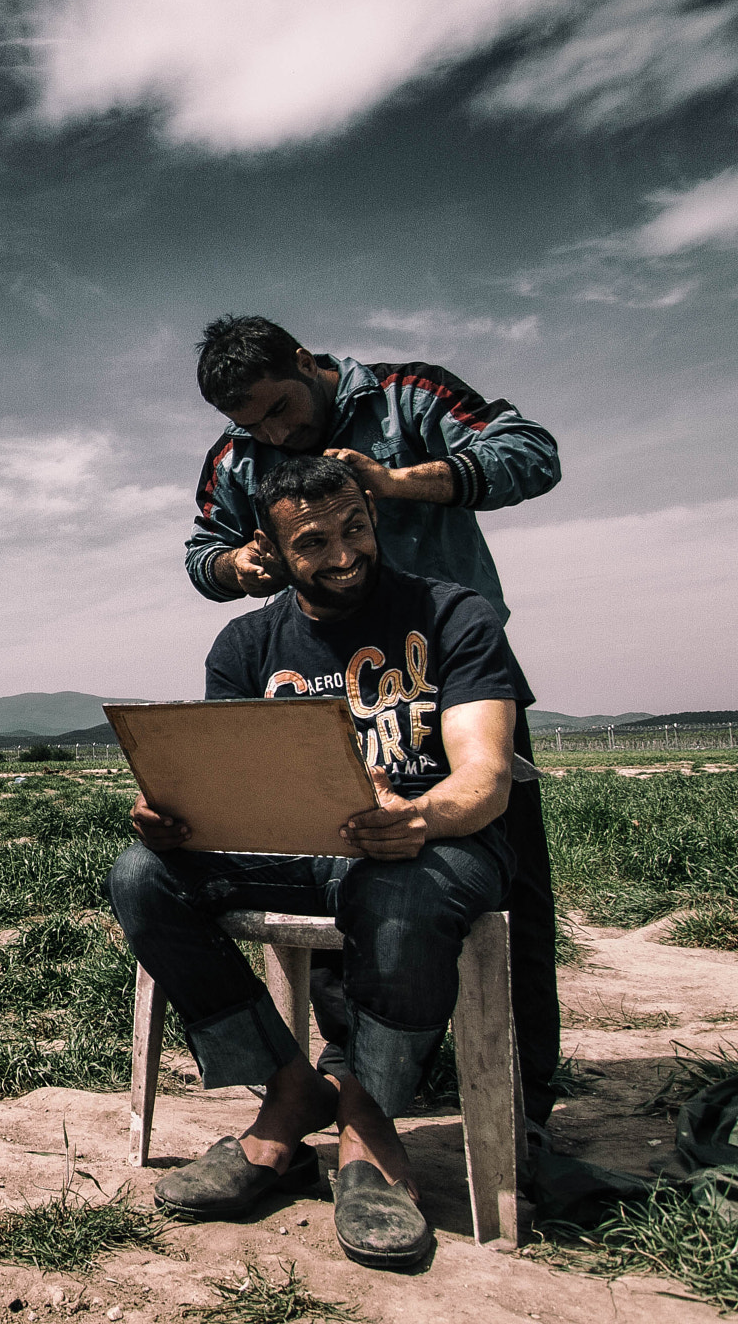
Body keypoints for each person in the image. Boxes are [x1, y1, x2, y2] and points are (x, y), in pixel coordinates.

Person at [113, 455, 532, 1268]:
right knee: (140, 875)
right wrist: (174, 819)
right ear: (270, 552)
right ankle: (288, 1087)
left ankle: (369, 1129)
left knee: (395, 889)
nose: (344, 553)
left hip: (434, 849)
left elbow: (483, 781)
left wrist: (417, 814)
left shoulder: (453, 614)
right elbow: (230, 788)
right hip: (302, 852)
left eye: (356, 529)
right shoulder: (246, 642)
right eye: (314, 542)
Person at [182, 314, 563, 1132]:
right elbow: (202, 552)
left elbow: (533, 453)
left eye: (281, 408)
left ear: (303, 361)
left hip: (453, 670)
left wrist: (397, 485)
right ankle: (361, 1071)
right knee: (337, 864)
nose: (277, 433)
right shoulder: (237, 455)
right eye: (254, 426)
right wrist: (238, 565)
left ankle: (525, 1096)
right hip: (320, 677)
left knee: (514, 890)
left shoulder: (408, 396)